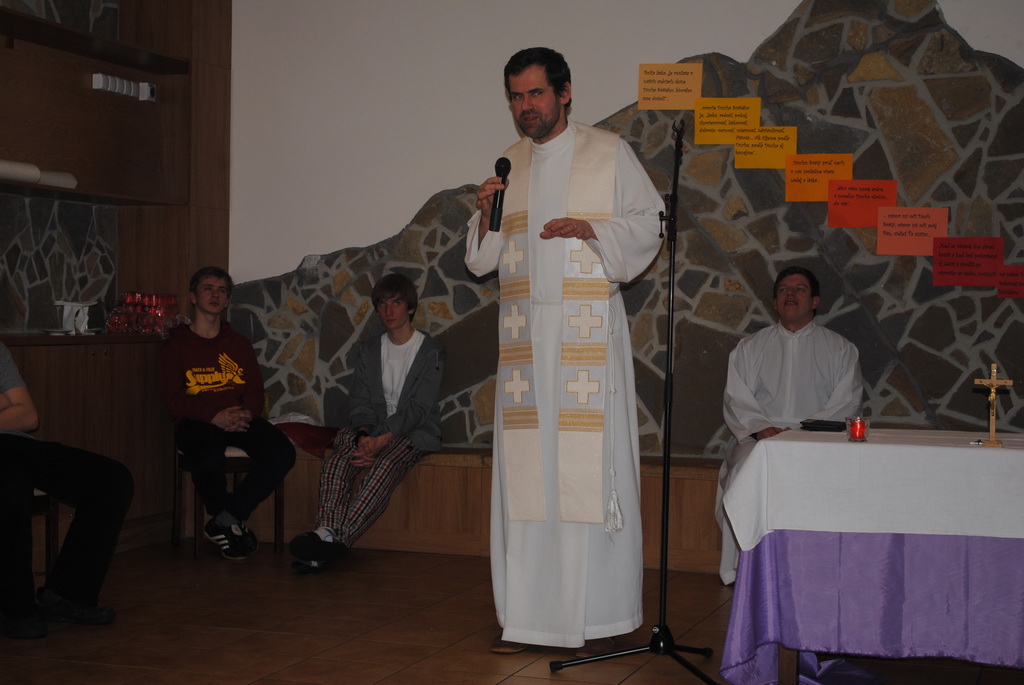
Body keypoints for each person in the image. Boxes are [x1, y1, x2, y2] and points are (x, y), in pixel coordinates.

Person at [464, 47, 664, 657]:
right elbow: (482, 261)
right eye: (516, 96)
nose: (526, 107)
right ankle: (528, 618)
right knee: (528, 479)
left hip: (586, 341)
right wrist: (485, 214)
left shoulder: (609, 152)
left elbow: (651, 222)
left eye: (536, 94)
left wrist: (593, 229)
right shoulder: (511, 166)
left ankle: (599, 616)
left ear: (565, 92)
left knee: (587, 473)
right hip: (526, 346)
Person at [289, 273, 444, 573]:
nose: (388, 311)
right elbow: (360, 402)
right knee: (337, 463)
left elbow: (419, 408)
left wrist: (382, 439)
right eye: (382, 304)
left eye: (396, 303)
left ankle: (334, 540)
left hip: (414, 432)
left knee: (384, 467)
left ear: (410, 307)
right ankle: (326, 533)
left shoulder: (430, 351)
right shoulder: (369, 350)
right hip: (371, 431)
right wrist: (363, 437)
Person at [717, 266, 863, 584]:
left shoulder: (840, 349)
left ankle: (821, 566)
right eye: (783, 289)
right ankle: (744, 567)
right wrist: (762, 428)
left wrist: (801, 433)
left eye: (799, 289)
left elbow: (846, 402)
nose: (790, 294)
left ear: (815, 302)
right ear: (774, 302)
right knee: (744, 470)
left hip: (817, 439)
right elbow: (736, 398)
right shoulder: (750, 348)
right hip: (758, 438)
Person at [160, 266, 295, 560]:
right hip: (196, 421)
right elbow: (175, 399)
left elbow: (255, 389)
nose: (215, 294)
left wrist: (247, 414)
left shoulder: (239, 344)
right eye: (208, 288)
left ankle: (225, 519)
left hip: (238, 416)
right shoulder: (174, 345)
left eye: (222, 290)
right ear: (193, 297)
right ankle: (226, 520)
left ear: (227, 300)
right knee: (208, 455)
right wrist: (214, 416)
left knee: (282, 452)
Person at [0, 342, 134, 639]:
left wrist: (11, 406)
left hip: (13, 443)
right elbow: (13, 407)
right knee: (12, 488)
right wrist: (5, 402)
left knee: (111, 480)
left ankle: (66, 596)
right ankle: (15, 608)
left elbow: (28, 417)